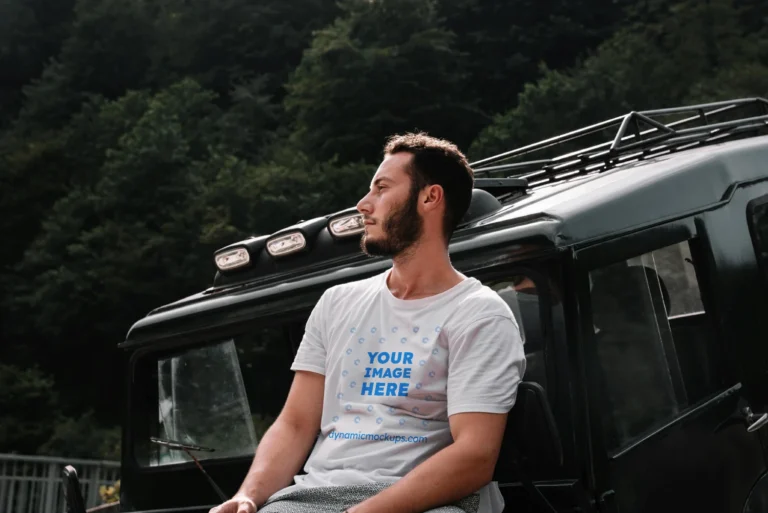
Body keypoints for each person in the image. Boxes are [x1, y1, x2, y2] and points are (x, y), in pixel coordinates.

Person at [210, 133, 526, 513]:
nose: (363, 204)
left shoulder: (479, 314)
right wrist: (249, 495)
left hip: (427, 502)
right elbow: (295, 424)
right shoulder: (337, 302)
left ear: (430, 198)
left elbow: (474, 456)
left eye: (381, 188)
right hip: (312, 498)